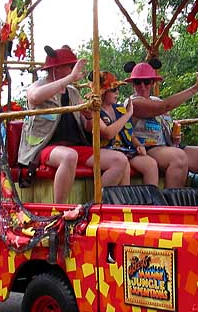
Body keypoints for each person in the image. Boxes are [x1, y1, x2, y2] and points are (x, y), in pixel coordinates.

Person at [17, 46, 129, 203]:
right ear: (56, 68)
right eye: (70, 66)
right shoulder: (37, 86)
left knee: (120, 160)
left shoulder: (73, 93)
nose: (73, 70)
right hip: (44, 147)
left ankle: (91, 206)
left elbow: (87, 127)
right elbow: (34, 98)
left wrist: (89, 117)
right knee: (69, 156)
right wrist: (69, 79)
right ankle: (59, 210)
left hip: (74, 146)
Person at [96, 71, 159, 187]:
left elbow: (129, 133)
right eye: (114, 90)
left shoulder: (119, 109)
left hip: (126, 149)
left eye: (118, 89)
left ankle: (150, 203)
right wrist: (129, 114)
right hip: (107, 150)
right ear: (103, 92)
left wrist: (138, 145)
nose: (117, 93)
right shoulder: (95, 111)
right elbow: (108, 134)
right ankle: (124, 203)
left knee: (150, 164)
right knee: (125, 165)